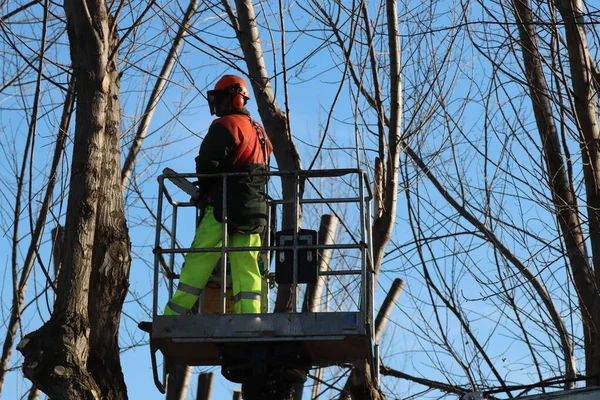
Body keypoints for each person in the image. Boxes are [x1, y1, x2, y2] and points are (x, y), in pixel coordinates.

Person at [164, 74, 272, 316]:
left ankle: (174, 315)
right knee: (248, 267)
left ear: (235, 98)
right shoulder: (261, 134)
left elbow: (206, 164)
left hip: (223, 209)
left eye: (223, 98)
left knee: (198, 260)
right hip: (254, 211)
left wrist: (205, 190)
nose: (219, 105)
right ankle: (251, 319)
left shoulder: (228, 125)